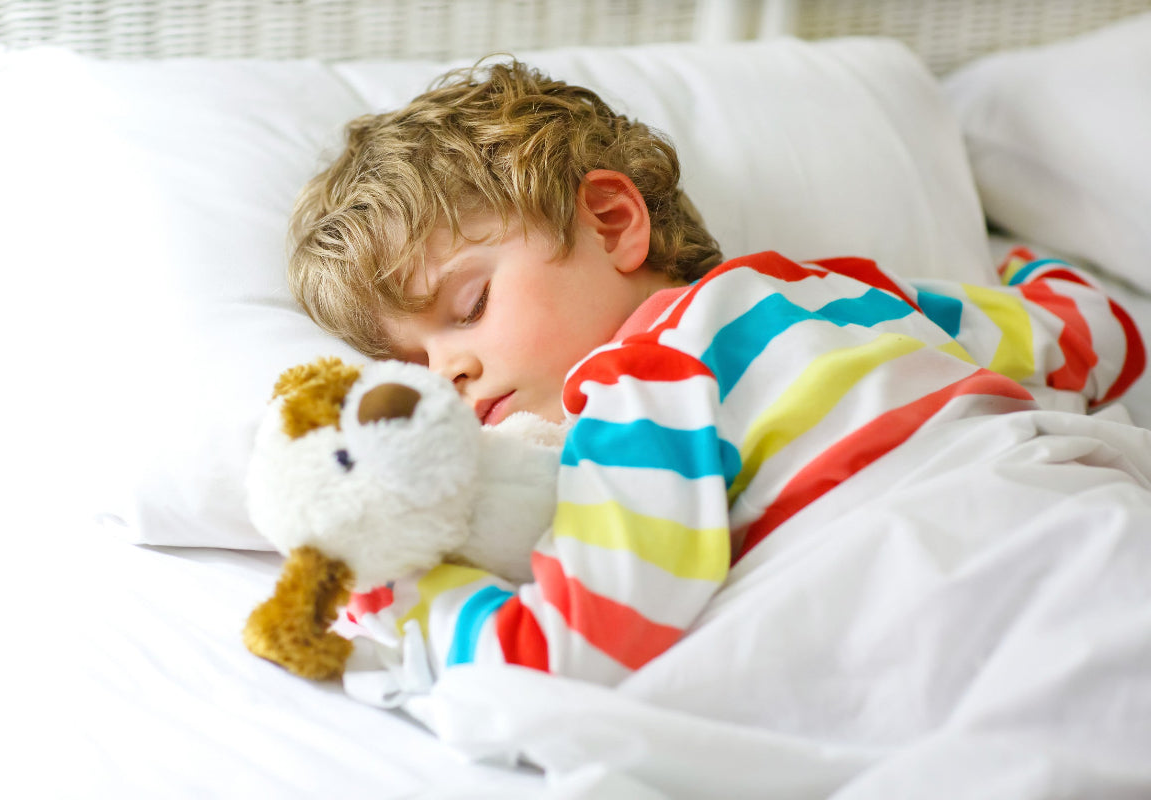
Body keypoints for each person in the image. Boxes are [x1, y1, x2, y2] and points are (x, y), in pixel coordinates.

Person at [286, 59, 1146, 688]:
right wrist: (1030, 263)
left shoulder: (639, 382)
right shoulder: (846, 290)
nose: (451, 372)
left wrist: (409, 600)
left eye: (468, 307)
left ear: (615, 220)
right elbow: (1096, 337)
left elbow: (580, 643)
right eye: (414, 365)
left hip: (977, 573)